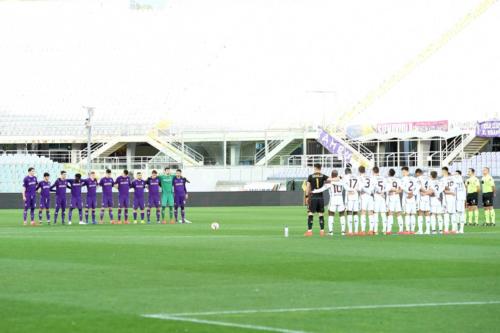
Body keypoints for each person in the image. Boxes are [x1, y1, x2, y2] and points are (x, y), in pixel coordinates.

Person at [312, 169, 346, 236]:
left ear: (331, 175)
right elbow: (344, 183)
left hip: (333, 199)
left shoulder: (329, 183)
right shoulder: (342, 182)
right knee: (342, 215)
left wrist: (314, 191)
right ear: (337, 175)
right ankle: (343, 232)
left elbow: (322, 189)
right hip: (340, 199)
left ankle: (331, 232)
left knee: (331, 214)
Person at [304, 163, 329, 237]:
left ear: (315, 168)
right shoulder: (323, 176)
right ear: (320, 168)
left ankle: (309, 231)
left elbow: (308, 187)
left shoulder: (310, 176)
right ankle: (322, 231)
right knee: (321, 214)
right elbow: (331, 179)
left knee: (310, 213)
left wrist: (306, 196)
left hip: (313, 197)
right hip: (320, 197)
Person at [401, 166, 418, 234]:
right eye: (402, 172)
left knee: (407, 214)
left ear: (407, 172)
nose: (403, 173)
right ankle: (412, 230)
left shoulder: (403, 179)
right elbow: (418, 186)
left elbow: (402, 187)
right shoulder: (414, 179)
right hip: (413, 197)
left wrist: (409, 193)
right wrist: (413, 193)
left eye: (404, 172)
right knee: (413, 214)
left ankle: (408, 230)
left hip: (407, 197)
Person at [358, 165, 375, 235]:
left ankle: (363, 231)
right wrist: (370, 191)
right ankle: (371, 230)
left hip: (364, 196)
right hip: (371, 196)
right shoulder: (371, 177)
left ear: (359, 171)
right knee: (371, 212)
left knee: (363, 212)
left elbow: (360, 188)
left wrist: (365, 191)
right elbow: (374, 186)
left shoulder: (360, 177)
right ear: (364, 170)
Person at [343, 167, 360, 234]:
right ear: (350, 172)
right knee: (355, 213)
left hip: (349, 197)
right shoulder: (356, 177)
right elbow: (360, 186)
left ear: (345, 172)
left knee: (349, 213)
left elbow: (344, 186)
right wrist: (355, 190)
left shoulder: (345, 177)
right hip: (356, 196)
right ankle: (356, 231)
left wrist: (350, 190)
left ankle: (350, 231)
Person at [386, 168, 403, 235]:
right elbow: (401, 190)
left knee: (390, 213)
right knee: (398, 213)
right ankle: (401, 230)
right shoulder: (398, 179)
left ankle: (389, 230)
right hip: (397, 197)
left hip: (391, 197)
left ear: (389, 173)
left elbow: (389, 189)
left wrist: (393, 190)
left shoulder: (388, 180)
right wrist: (397, 191)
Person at [371, 166, 387, 235]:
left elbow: (374, 187)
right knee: (383, 213)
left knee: (376, 213)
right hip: (383, 196)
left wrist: (379, 192)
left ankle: (376, 230)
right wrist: (383, 192)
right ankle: (384, 230)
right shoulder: (383, 178)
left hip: (377, 196)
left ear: (373, 171)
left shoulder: (373, 178)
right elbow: (388, 186)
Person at [441, 167, 457, 233]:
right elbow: (454, 187)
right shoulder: (453, 178)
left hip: (446, 198)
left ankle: (446, 229)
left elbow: (444, 190)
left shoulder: (442, 179)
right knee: (453, 213)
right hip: (453, 197)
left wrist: (448, 191)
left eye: (442, 171)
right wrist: (452, 192)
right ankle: (454, 229)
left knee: (446, 213)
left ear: (445, 171)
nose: (441, 172)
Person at [416, 169, 431, 234]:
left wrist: (424, 191)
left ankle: (420, 230)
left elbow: (419, 187)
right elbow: (431, 188)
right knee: (427, 213)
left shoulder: (418, 178)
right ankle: (427, 230)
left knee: (420, 212)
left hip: (421, 197)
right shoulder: (429, 178)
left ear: (418, 173)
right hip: (427, 197)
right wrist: (427, 192)